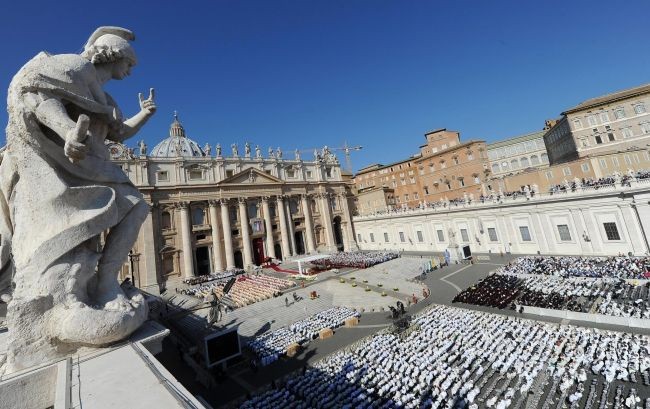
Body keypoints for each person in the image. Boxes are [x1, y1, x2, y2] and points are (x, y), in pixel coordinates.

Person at [0, 27, 156, 364]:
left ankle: (103, 283)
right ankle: (101, 284)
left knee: (135, 207)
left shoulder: (105, 97)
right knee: (134, 205)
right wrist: (67, 132)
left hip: (88, 165)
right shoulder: (74, 66)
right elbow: (37, 95)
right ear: (113, 53)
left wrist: (145, 113)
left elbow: (121, 132)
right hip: (63, 166)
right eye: (129, 62)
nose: (130, 70)